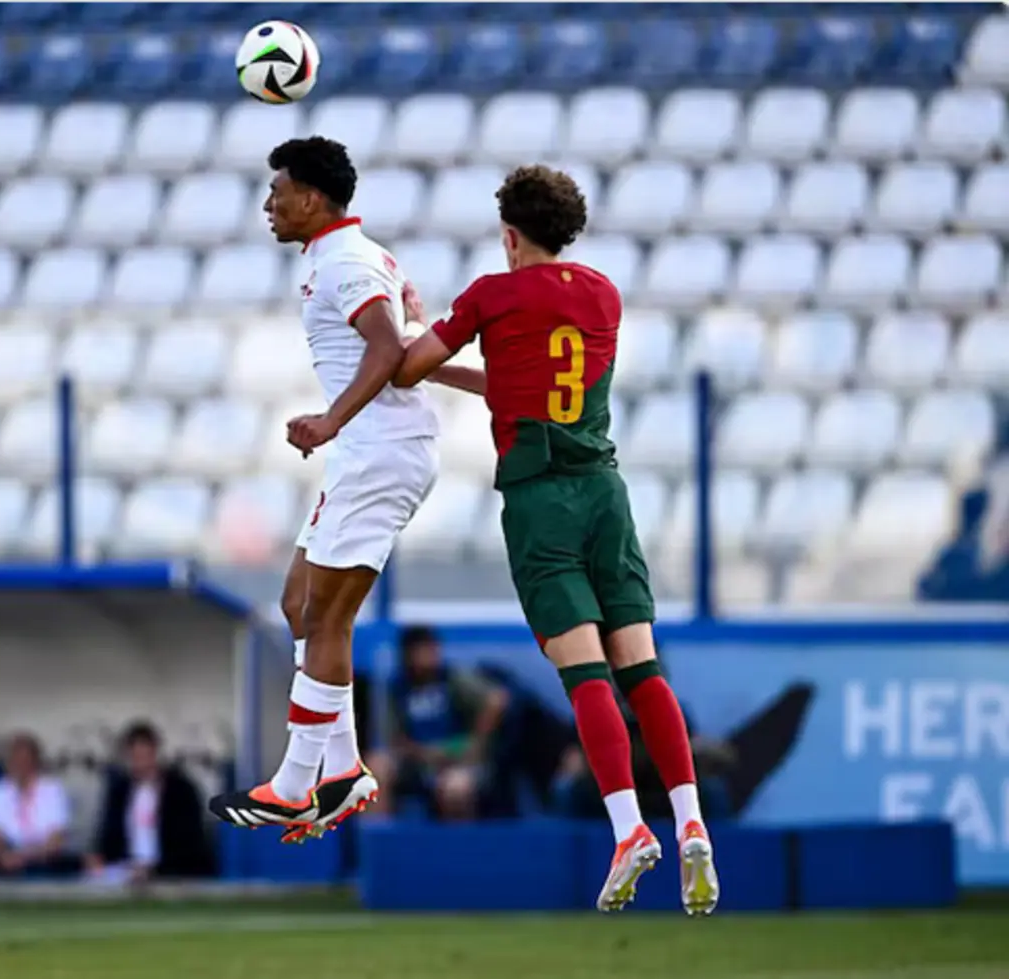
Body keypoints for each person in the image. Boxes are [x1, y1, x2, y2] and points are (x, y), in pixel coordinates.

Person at [393, 165, 720, 916]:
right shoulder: (603, 294)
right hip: (605, 492)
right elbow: (523, 381)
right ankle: (690, 815)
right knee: (642, 664)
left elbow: (409, 366)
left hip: (541, 502)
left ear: (510, 234)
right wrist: (460, 373)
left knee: (587, 676)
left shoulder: (491, 293)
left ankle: (629, 826)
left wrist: (419, 334)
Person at [209, 137, 440, 843]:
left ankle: (293, 783)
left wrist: (330, 420)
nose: (268, 205)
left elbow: (386, 347)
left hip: (377, 452)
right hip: (366, 453)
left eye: (277, 192)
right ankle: (342, 768)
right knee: (299, 604)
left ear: (312, 198)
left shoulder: (345, 261)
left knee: (328, 617)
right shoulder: (338, 256)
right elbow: (408, 347)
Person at [370, 626, 508, 820]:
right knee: (377, 767)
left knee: (455, 788)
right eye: (420, 651)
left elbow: (496, 700)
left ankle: (455, 846)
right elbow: (394, 739)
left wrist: (475, 743)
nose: (428, 657)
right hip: (417, 761)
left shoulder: (453, 679)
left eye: (431, 650)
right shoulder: (397, 689)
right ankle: (379, 840)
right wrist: (423, 754)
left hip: (457, 759)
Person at [87, 722, 213, 882]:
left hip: (172, 871)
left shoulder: (181, 790)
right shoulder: (119, 790)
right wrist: (98, 856)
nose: (139, 763)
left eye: (143, 757)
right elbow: (108, 833)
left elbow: (190, 841)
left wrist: (153, 868)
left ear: (155, 753)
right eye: (134, 757)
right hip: (126, 870)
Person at [0, 732, 81, 878]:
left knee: (48, 870)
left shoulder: (53, 790)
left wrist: (25, 857)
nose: (20, 765)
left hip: (42, 855)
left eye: (25, 760)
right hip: (8, 854)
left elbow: (56, 840)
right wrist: (5, 857)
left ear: (35, 762)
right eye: (15, 760)